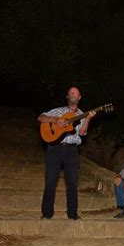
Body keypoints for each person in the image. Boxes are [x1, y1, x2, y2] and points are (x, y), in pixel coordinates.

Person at [39, 87, 96, 220]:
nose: (73, 94)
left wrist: (88, 119)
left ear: (79, 97)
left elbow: (82, 133)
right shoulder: (58, 111)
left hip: (72, 151)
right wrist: (55, 120)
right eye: (70, 93)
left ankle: (72, 213)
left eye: (75, 93)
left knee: (72, 182)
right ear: (67, 96)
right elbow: (41, 117)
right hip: (55, 149)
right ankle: (47, 213)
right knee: (50, 181)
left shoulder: (82, 113)